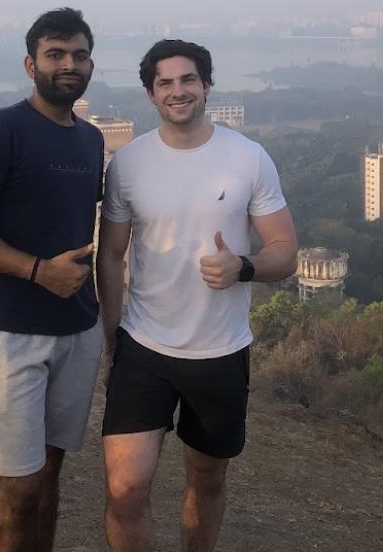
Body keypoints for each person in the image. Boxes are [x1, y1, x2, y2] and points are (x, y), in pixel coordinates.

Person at [96, 39, 298, 552]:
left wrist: (243, 267)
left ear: (207, 86)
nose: (178, 90)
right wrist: (111, 336)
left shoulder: (248, 158)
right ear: (150, 94)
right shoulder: (128, 164)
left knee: (207, 480)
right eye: (165, 82)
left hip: (220, 350)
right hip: (144, 344)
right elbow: (111, 255)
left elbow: (285, 252)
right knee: (125, 489)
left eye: (188, 79)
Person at [0, 7, 105, 552]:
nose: (68, 65)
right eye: (55, 55)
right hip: (11, 331)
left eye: (79, 55)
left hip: (77, 329)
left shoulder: (91, 141)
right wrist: (39, 272)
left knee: (51, 475)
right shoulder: (2, 130)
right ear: (30, 63)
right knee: (20, 487)